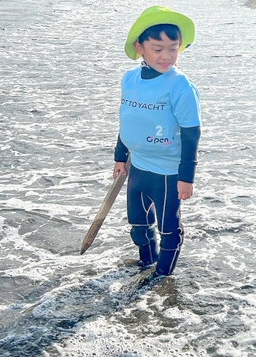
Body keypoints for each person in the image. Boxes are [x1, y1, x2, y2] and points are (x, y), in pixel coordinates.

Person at [113, 6, 201, 276]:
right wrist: (119, 156)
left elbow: (191, 132)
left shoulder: (180, 85)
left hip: (167, 171)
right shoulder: (130, 78)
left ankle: (162, 278)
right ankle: (146, 265)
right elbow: (128, 119)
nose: (166, 56)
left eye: (173, 48)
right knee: (138, 227)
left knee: (168, 229)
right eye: (157, 48)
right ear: (140, 47)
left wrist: (187, 176)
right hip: (137, 167)